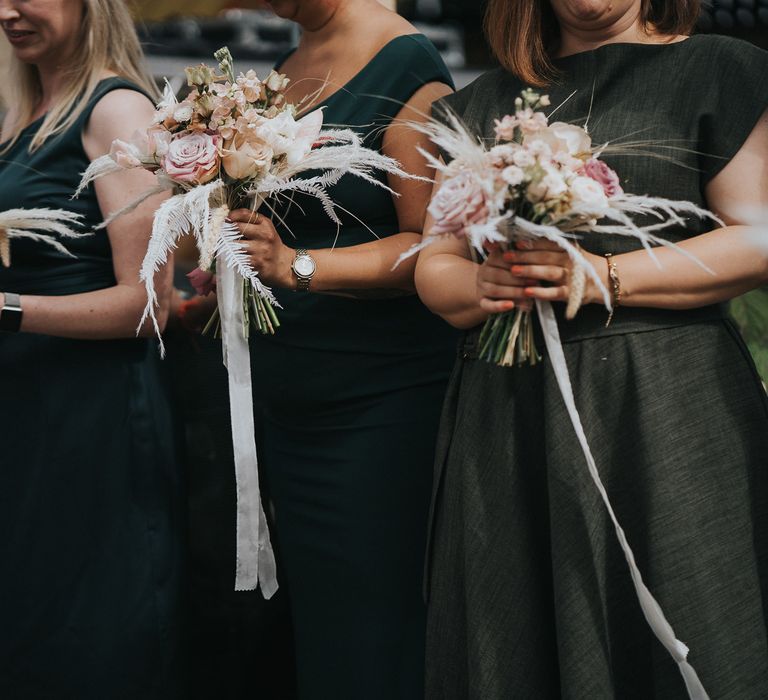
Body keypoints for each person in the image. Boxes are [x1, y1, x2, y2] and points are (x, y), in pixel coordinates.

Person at [414, 0, 768, 698]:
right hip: (510, 409)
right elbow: (435, 264)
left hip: (663, 405)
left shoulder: (719, 68)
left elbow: (756, 236)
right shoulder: (477, 103)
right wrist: (481, 283)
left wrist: (604, 276)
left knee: (691, 621)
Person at [225, 0, 457, 696]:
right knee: (317, 626)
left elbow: (428, 245)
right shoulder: (288, 66)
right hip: (288, 401)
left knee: (374, 629)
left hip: (377, 407)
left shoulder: (409, 69)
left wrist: (297, 266)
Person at [0, 1, 183, 696]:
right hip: (27, 414)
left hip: (91, 419)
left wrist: (9, 309)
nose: (8, 11)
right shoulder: (29, 106)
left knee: (92, 633)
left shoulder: (115, 112)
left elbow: (146, 304)